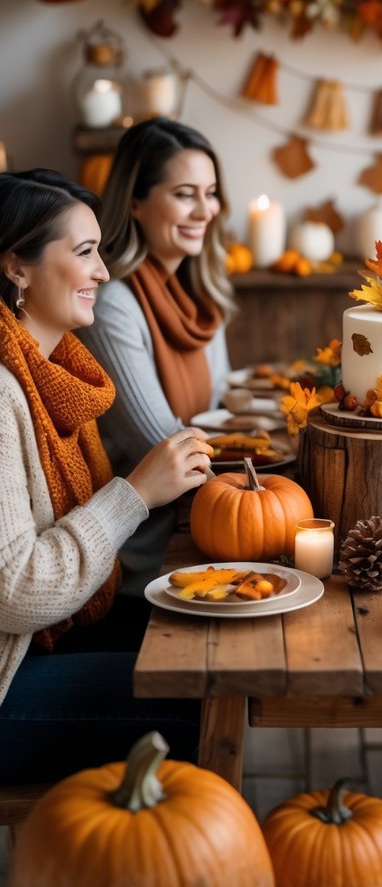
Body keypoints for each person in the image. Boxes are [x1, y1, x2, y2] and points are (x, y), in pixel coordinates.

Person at [0, 169, 212, 781]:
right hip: (8, 674)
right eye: (86, 253)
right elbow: (17, 590)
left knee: (204, 640)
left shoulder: (59, 374)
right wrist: (135, 495)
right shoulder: (5, 392)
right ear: (17, 266)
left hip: (44, 639)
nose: (102, 273)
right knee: (201, 699)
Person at [79, 118, 235, 595]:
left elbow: (223, 405)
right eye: (185, 193)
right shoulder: (113, 305)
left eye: (210, 193)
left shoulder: (199, 295)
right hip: (145, 562)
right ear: (136, 202)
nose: (204, 210)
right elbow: (167, 448)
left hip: (202, 531)